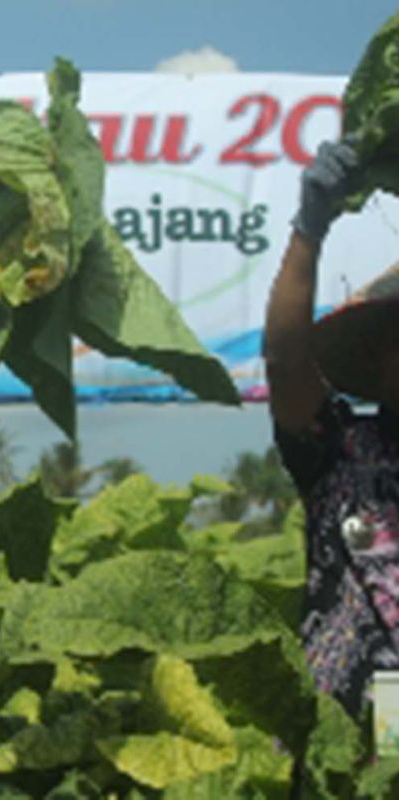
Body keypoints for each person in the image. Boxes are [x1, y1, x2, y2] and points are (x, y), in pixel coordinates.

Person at [265, 136, 399, 718]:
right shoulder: (342, 449)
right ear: (375, 358)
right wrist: (310, 228)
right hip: (342, 741)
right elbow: (287, 362)